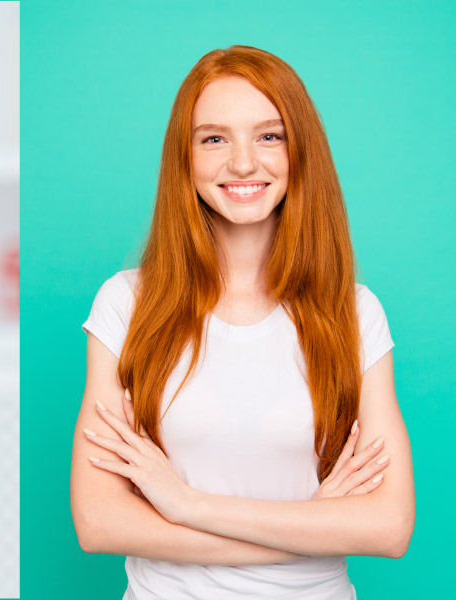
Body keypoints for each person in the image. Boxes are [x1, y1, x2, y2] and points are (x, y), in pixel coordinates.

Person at [70, 46, 414, 599]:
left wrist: (189, 506)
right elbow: (99, 522)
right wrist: (311, 526)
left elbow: (390, 527)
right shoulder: (126, 304)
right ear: (186, 158)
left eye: (269, 136)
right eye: (214, 138)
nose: (243, 163)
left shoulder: (353, 313)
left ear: (300, 150)